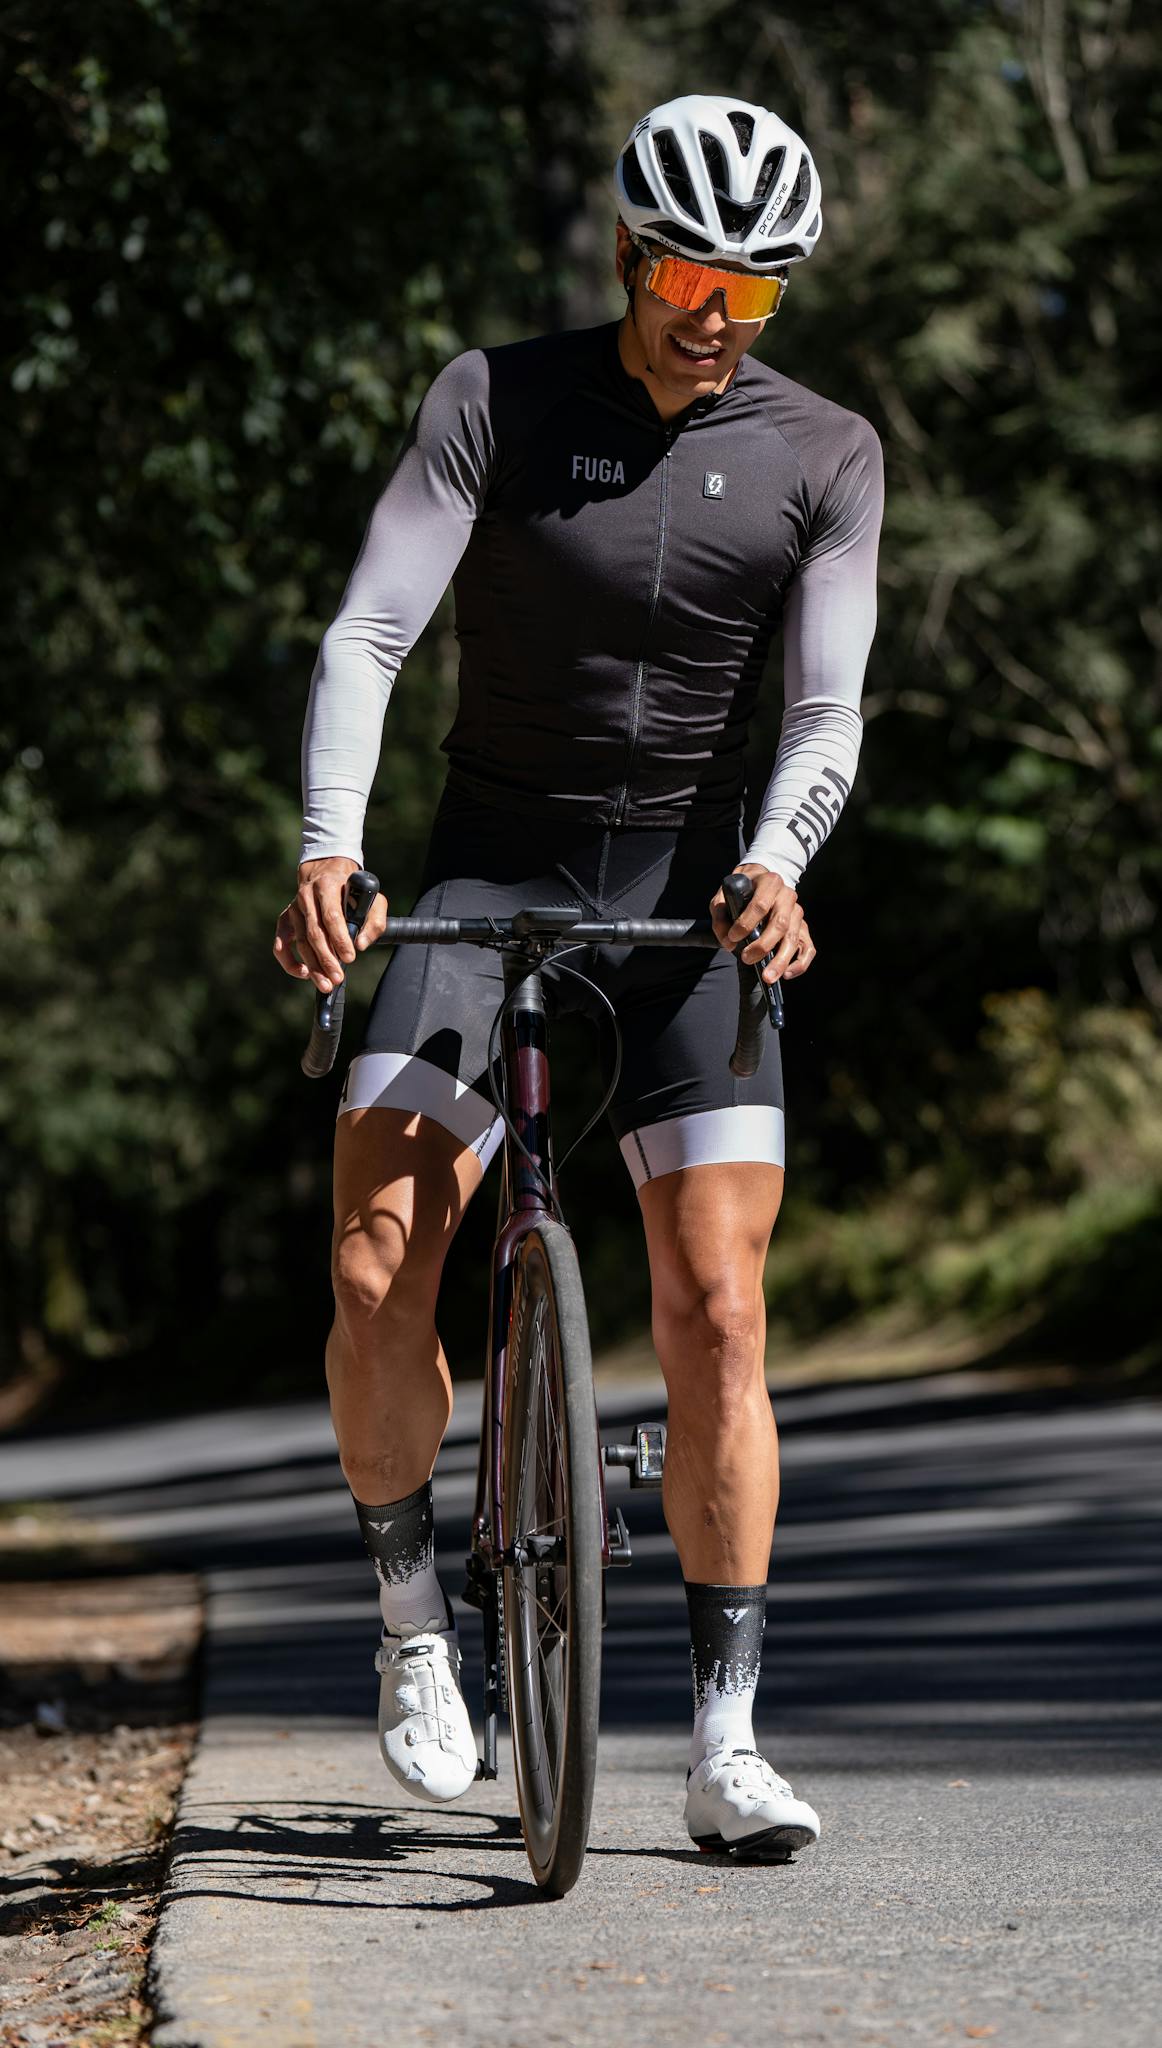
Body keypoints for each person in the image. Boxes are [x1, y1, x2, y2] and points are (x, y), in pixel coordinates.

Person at [274, 93, 882, 1855]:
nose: (718, 312)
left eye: (757, 291)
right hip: (480, 875)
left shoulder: (824, 451)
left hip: (691, 908)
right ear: (628, 249)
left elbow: (824, 710)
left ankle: (724, 1741)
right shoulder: (493, 401)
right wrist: (334, 844)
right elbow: (370, 630)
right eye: (695, 272)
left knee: (720, 1311)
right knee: (381, 1256)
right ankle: (410, 1626)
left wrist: (774, 867)